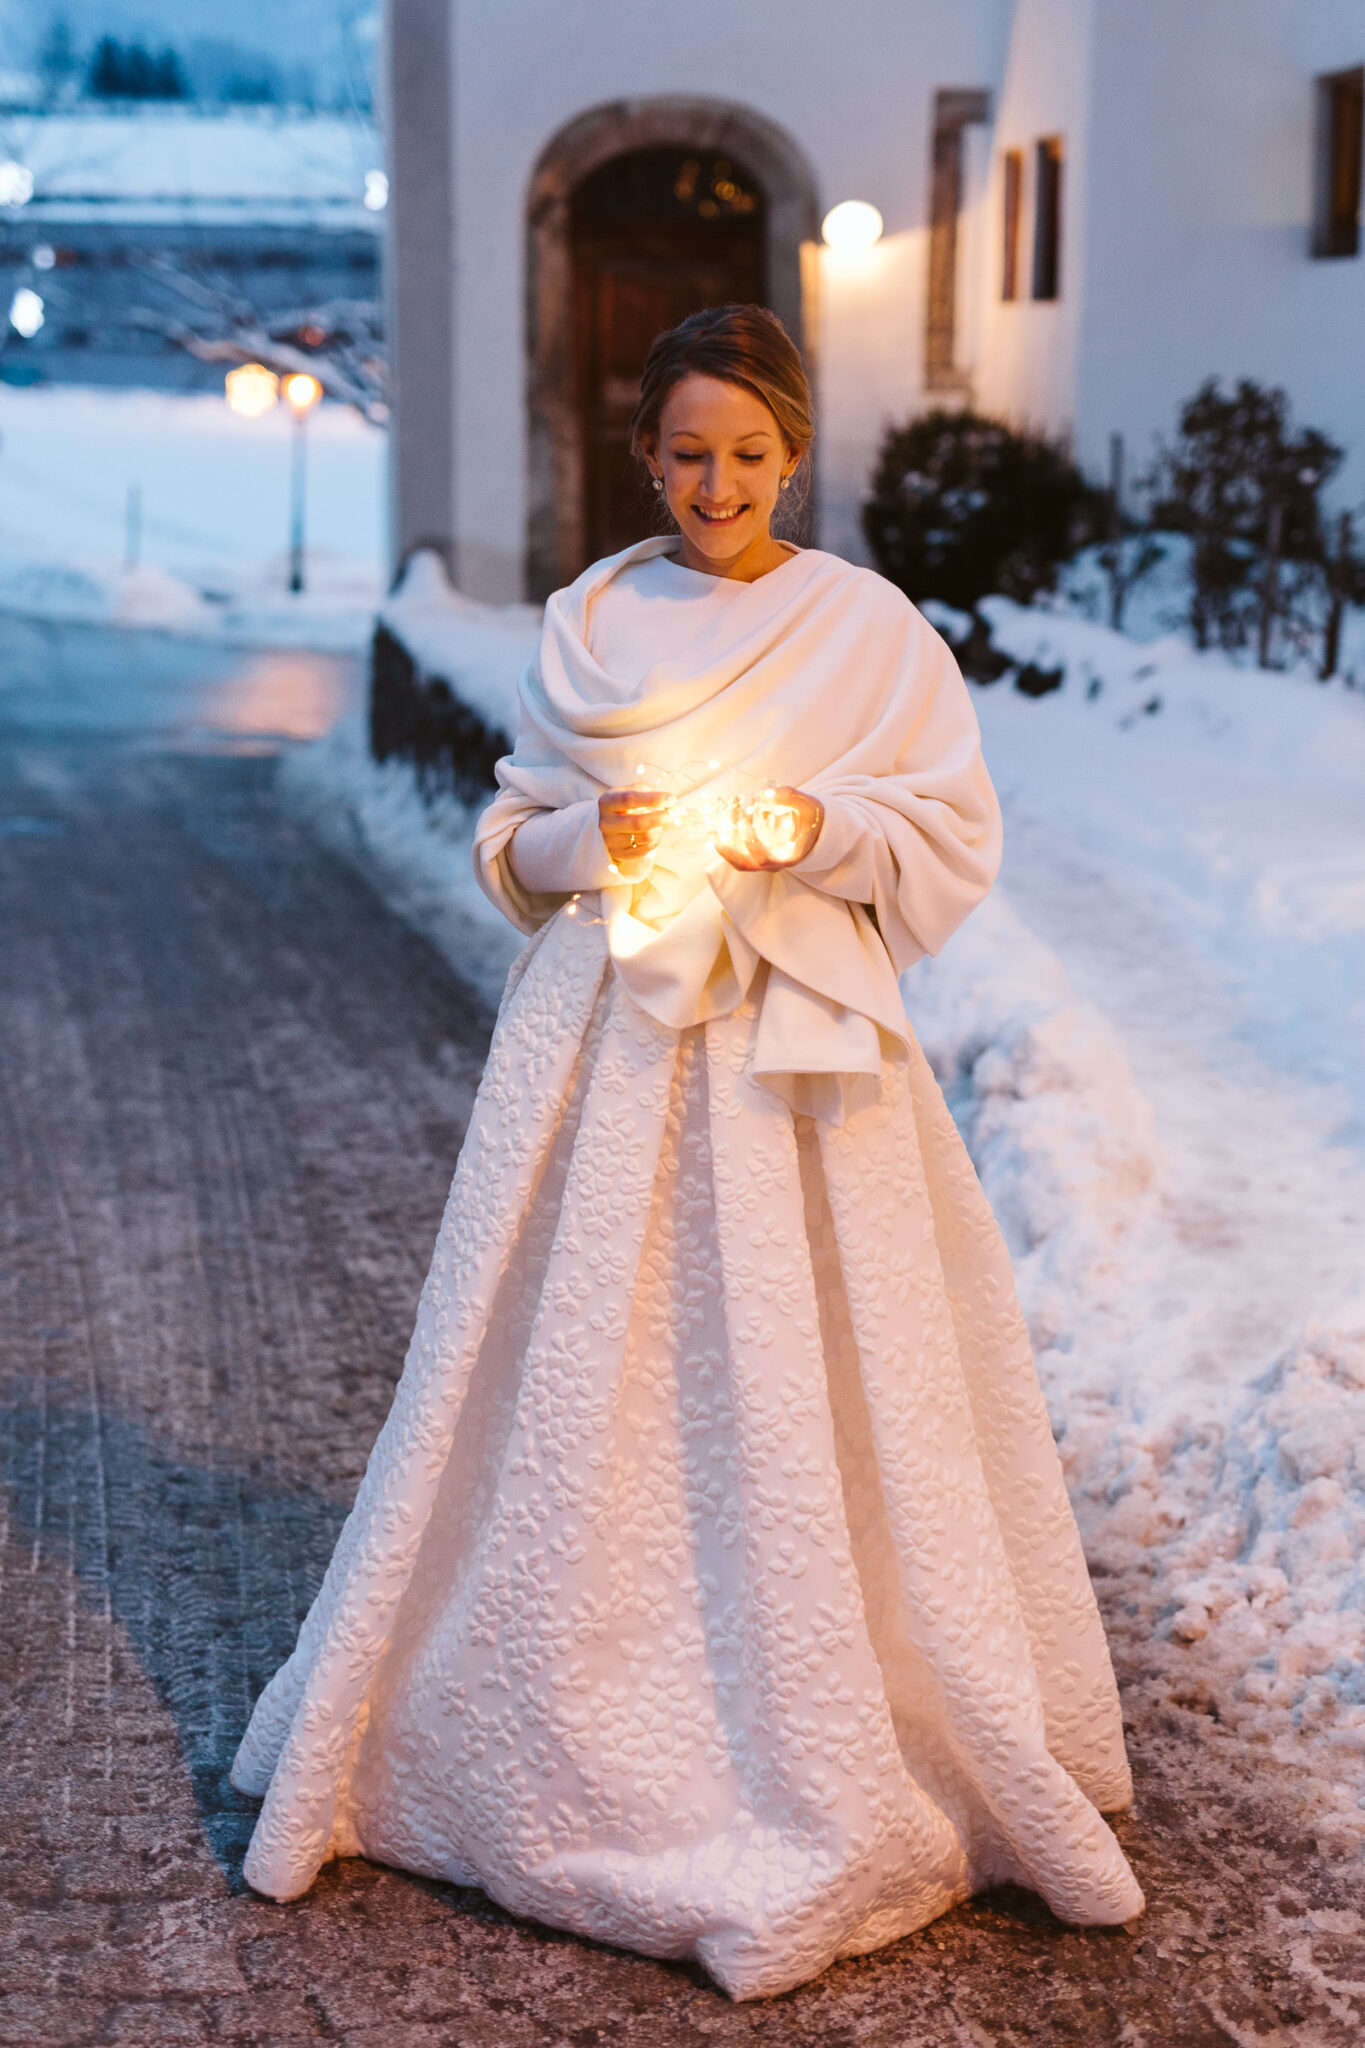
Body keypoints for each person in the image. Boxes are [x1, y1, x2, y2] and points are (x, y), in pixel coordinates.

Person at [231, 303, 1144, 2000]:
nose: (715, 479)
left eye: (747, 451)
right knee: (592, 1355)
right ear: (641, 457)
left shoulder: (867, 630)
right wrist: (598, 831)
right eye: (684, 450)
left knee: (811, 1365)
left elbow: (949, 835)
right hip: (611, 1043)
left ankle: (823, 1701)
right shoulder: (590, 620)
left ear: (793, 453)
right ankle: (565, 1704)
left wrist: (816, 822)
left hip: (799, 1059)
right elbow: (511, 846)